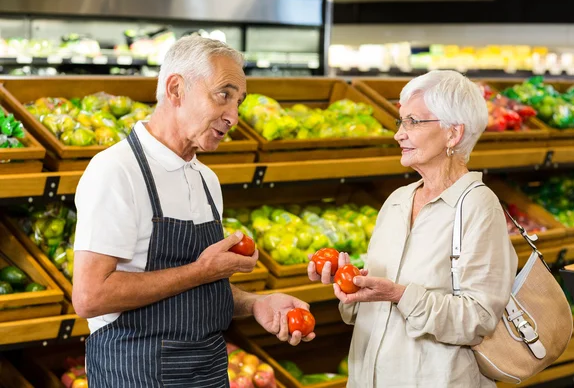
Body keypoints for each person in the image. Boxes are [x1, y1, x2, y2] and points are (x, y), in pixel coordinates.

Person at [73, 35, 314, 387]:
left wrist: (256, 304)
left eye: (239, 102)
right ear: (175, 89)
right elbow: (90, 297)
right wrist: (202, 271)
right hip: (136, 374)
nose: (233, 116)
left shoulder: (206, 179)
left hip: (207, 372)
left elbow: (195, 292)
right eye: (223, 95)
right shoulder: (116, 170)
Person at [308, 70, 517, 387]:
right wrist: (353, 286)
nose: (398, 135)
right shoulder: (397, 201)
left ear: (453, 133)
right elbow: (375, 306)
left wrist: (398, 295)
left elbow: (479, 319)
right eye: (400, 122)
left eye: (413, 122)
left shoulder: (477, 206)